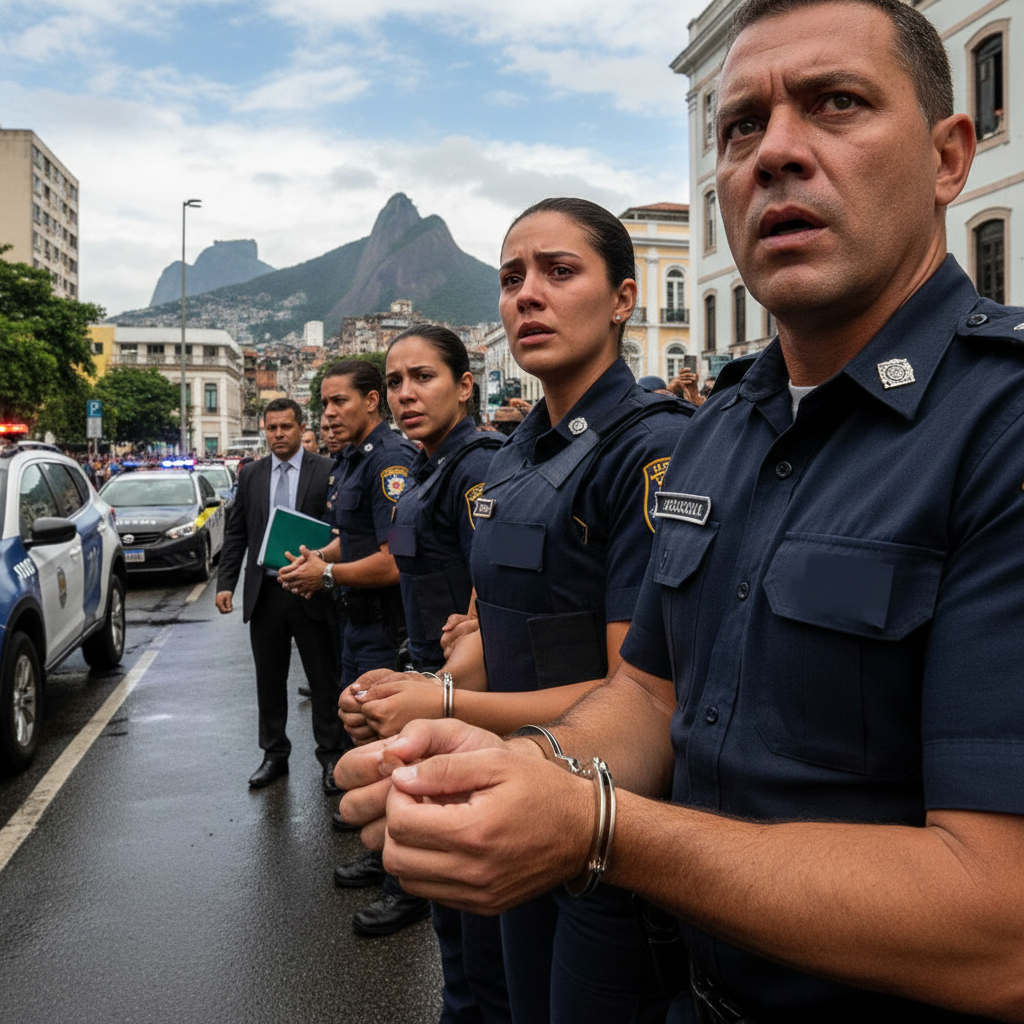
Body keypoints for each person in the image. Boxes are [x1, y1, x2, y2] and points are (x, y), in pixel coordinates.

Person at [337, 2, 1024, 1021]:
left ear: (947, 156)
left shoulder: (1000, 424)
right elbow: (650, 697)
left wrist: (595, 825)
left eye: (837, 104)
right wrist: (506, 770)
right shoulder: (721, 427)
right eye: (741, 125)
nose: (777, 152)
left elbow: (999, 924)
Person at [342, 198, 694, 1024]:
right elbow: (492, 618)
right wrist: (426, 686)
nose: (527, 295)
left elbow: (634, 694)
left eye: (559, 272)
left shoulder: (651, 448)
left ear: (623, 299)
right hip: (500, 790)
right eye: (510, 279)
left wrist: (445, 702)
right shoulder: (516, 451)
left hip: (597, 829)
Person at [356, 323, 509, 1023]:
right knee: (448, 902)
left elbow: (491, 572)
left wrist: (467, 638)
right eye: (395, 381)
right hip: (423, 669)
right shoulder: (426, 464)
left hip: (459, 688)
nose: (406, 394)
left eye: (424, 377)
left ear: (466, 384)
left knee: (469, 907)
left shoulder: (477, 463)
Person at [278, 359, 428, 937]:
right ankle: (381, 852)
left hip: (385, 631)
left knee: (393, 754)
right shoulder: (357, 461)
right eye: (324, 402)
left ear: (371, 401)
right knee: (364, 744)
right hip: (357, 625)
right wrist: (322, 559)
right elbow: (357, 538)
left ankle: (407, 885)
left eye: (339, 401)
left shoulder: (390, 460)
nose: (329, 413)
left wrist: (329, 577)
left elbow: (395, 557)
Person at [215, 397, 346, 790]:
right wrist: (226, 583)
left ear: (300, 428)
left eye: (286, 427)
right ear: (264, 430)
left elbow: (337, 529)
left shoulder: (326, 470)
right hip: (266, 593)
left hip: (310, 590)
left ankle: (330, 757)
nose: (278, 435)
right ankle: (274, 755)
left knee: (324, 678)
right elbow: (237, 532)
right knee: (269, 680)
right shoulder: (251, 474)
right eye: (271, 428)